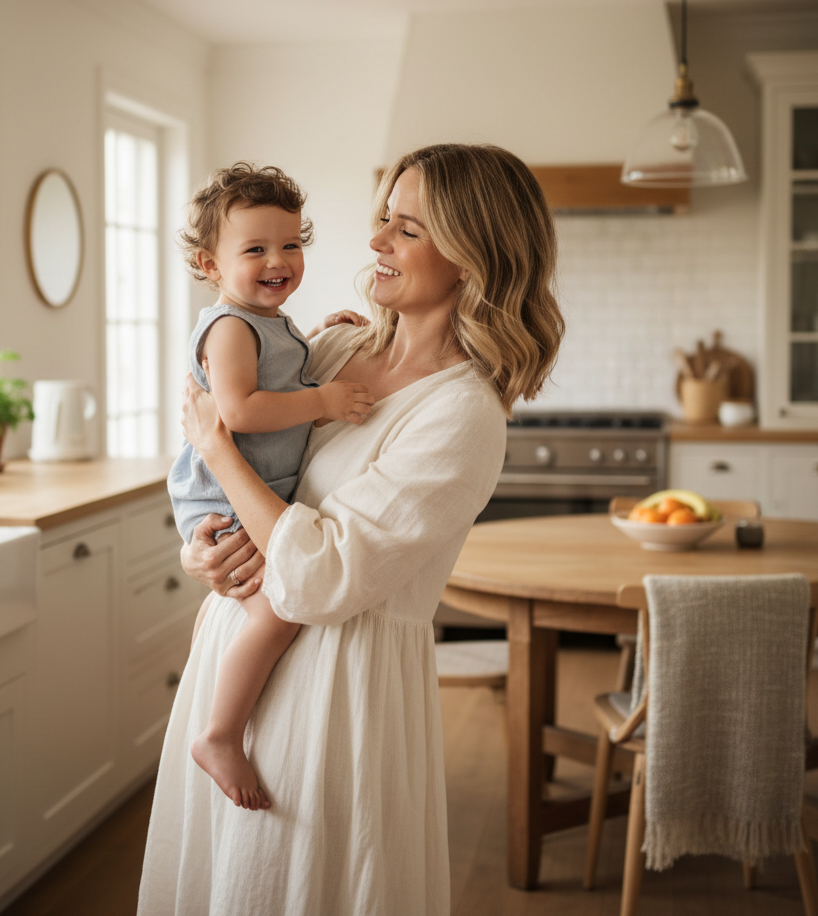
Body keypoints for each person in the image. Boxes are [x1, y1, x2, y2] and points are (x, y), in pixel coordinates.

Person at [138, 143, 565, 916]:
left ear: (471, 256)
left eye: (405, 228)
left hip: (333, 694)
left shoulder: (462, 414)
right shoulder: (333, 350)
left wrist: (214, 449)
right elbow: (238, 467)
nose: (376, 243)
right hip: (233, 651)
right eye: (382, 221)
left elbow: (321, 576)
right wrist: (199, 550)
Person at [167, 162, 374, 811]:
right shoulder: (229, 326)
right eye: (254, 249)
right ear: (210, 263)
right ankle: (221, 735)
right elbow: (241, 412)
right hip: (223, 495)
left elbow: (271, 377)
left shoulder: (272, 323)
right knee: (277, 608)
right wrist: (325, 398)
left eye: (290, 245)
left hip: (254, 487)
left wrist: (311, 344)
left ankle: (222, 726)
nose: (277, 260)